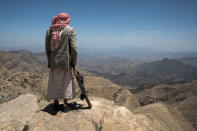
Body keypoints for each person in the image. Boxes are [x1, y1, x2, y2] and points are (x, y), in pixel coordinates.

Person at [45, 12, 77, 110]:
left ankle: (55, 102)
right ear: (67, 19)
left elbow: (47, 48)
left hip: (53, 61)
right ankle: (65, 104)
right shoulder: (70, 30)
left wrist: (50, 60)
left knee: (55, 81)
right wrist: (73, 62)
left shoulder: (50, 30)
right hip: (65, 62)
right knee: (65, 82)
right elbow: (73, 48)